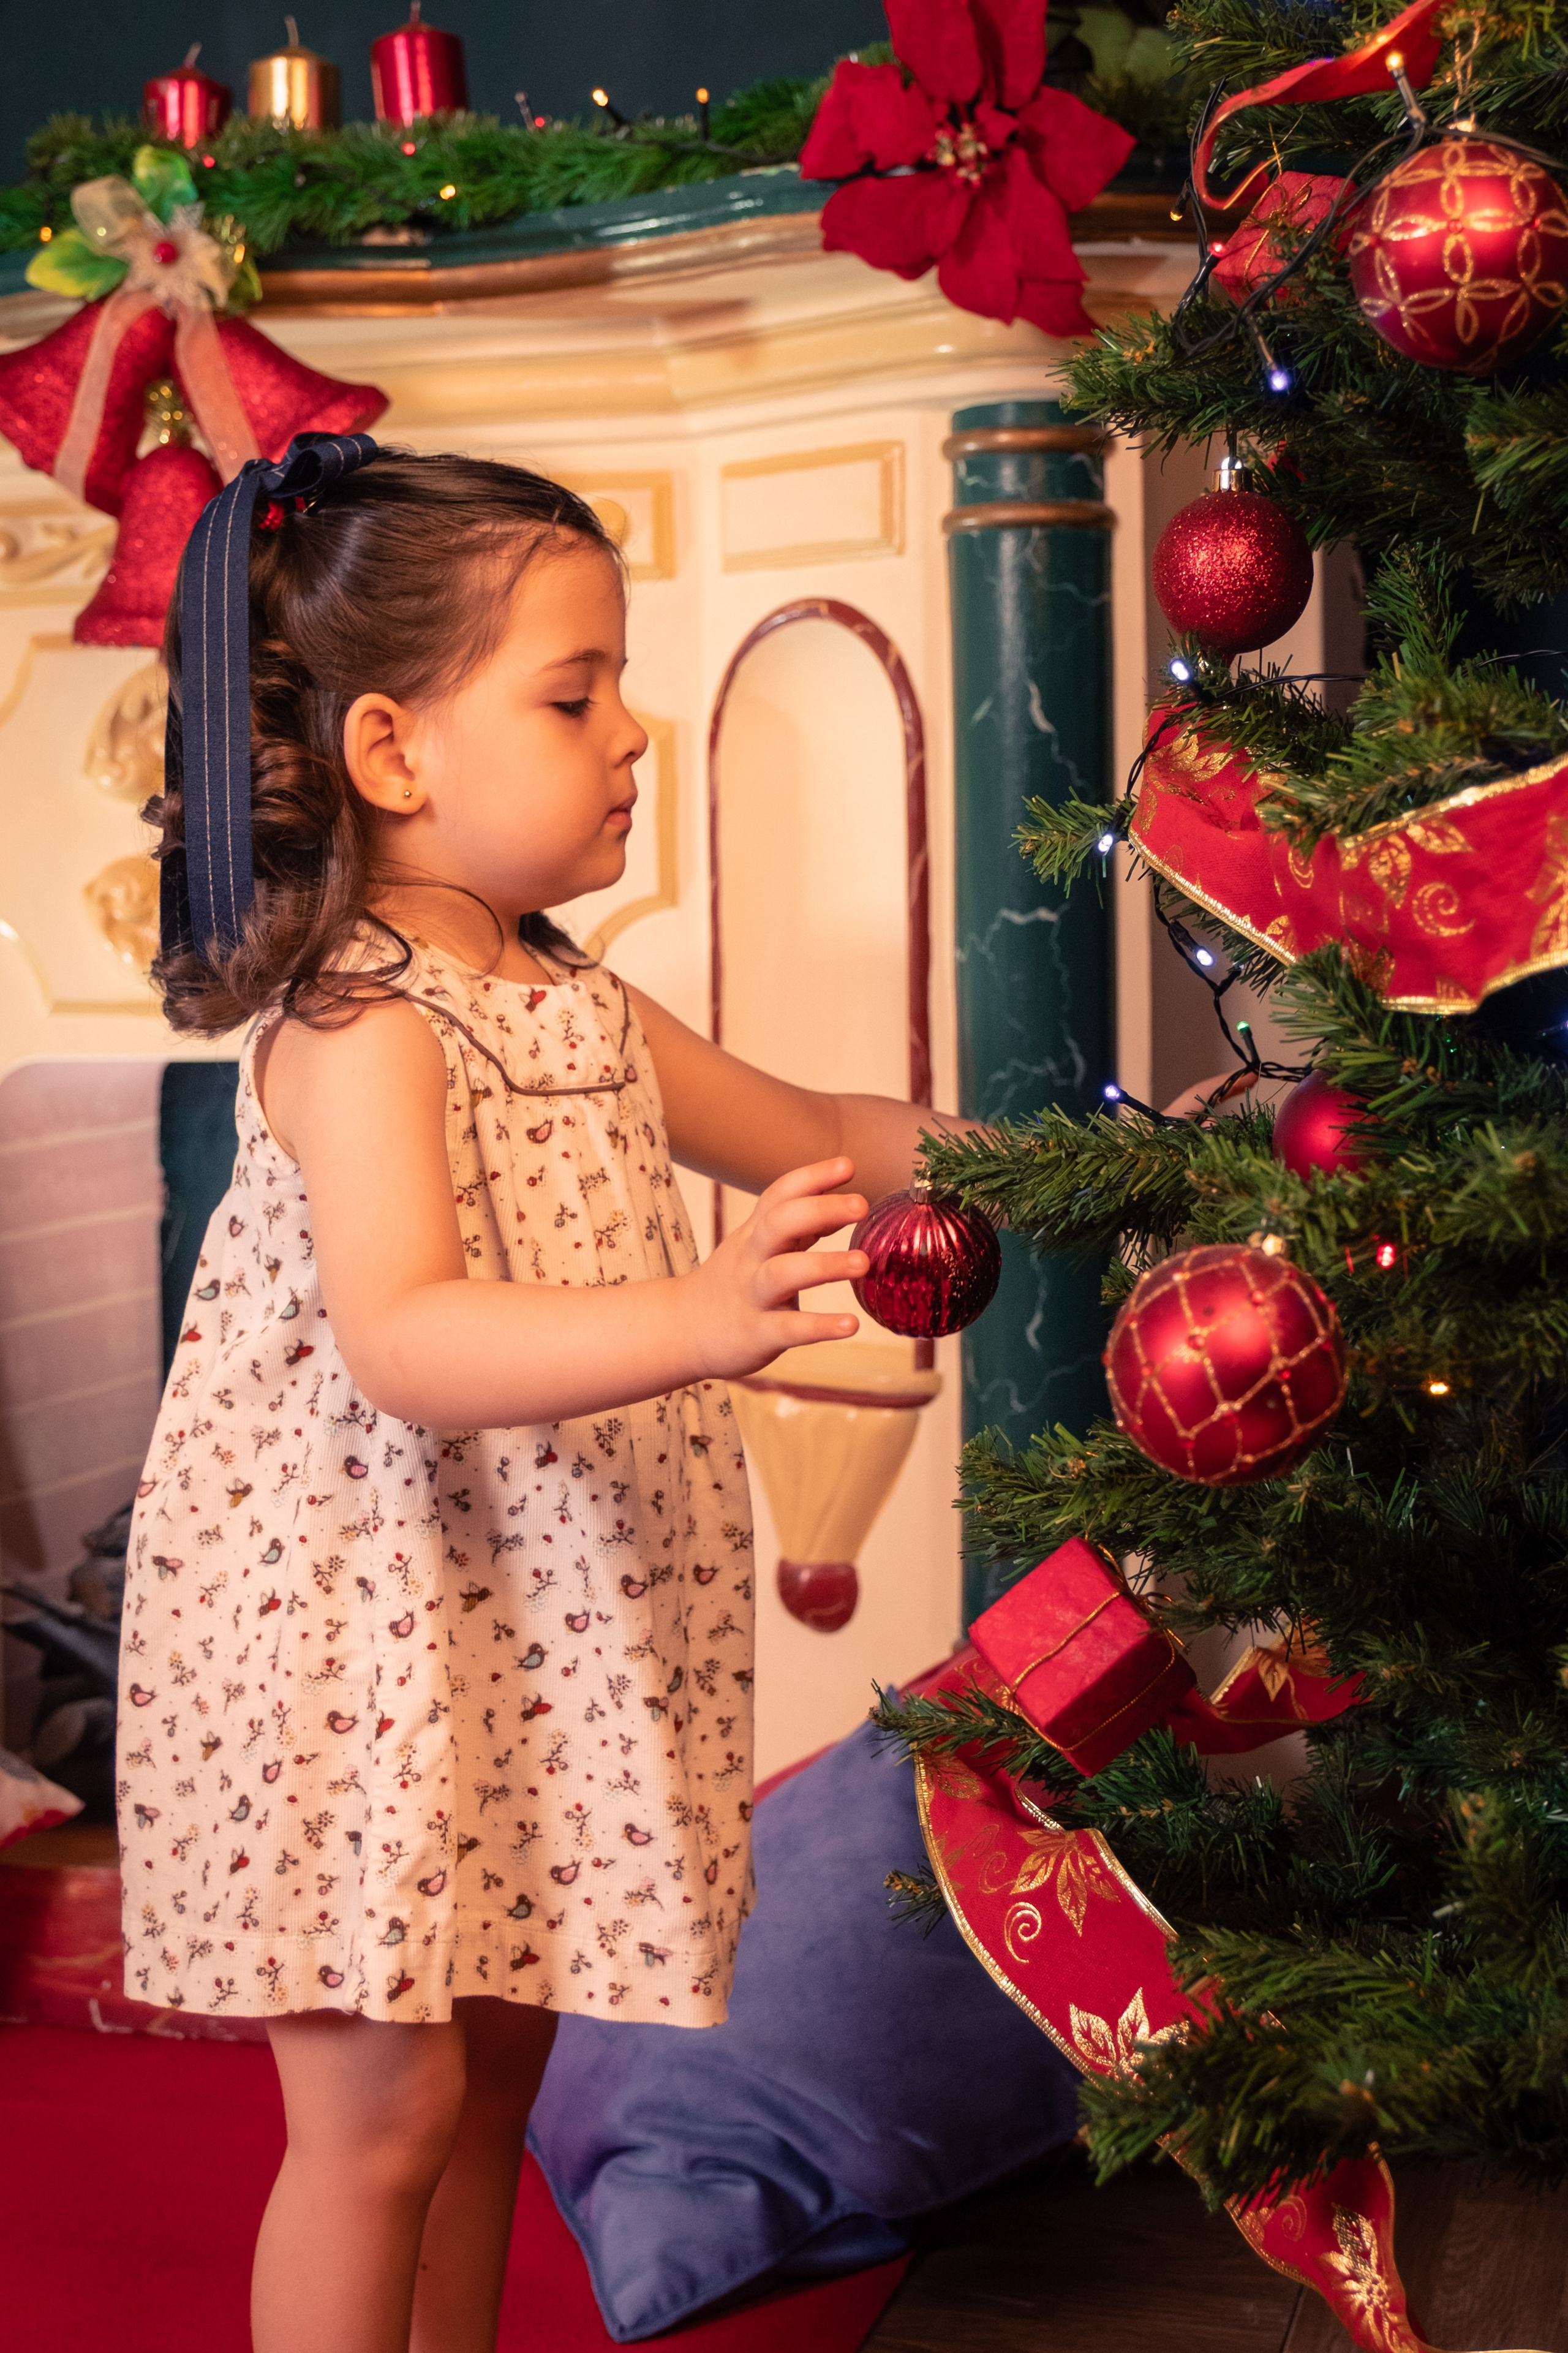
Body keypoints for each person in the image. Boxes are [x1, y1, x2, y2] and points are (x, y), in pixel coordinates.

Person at [118, 438, 978, 2353]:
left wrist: (1045, 1160)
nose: (634, 731)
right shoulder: (358, 1025)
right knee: (379, 2116)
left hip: (520, 1633)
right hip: (357, 1637)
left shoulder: (575, 998)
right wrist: (702, 1315)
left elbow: (818, 1129)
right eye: (574, 693)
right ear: (392, 750)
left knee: (489, 2080)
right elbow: (409, 1333)